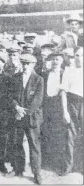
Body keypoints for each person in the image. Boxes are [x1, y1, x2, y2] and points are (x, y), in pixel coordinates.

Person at [7, 54, 44, 185]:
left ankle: (37, 173)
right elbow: (10, 95)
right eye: (23, 63)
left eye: (28, 63)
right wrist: (16, 107)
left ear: (33, 64)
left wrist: (24, 112)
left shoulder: (39, 79)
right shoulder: (15, 78)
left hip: (32, 118)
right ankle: (17, 169)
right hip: (17, 115)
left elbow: (37, 101)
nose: (25, 66)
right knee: (16, 143)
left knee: (34, 145)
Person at [59, 46, 83, 176]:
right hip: (72, 104)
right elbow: (63, 92)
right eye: (77, 55)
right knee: (69, 136)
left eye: (82, 55)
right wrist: (65, 111)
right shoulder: (69, 71)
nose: (80, 58)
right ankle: (68, 166)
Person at [41, 52, 65, 172]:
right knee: (45, 133)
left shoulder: (64, 74)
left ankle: (57, 163)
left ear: (61, 61)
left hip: (58, 107)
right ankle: (45, 162)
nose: (55, 62)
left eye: (57, 59)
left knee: (58, 135)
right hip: (46, 106)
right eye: (53, 60)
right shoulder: (45, 74)